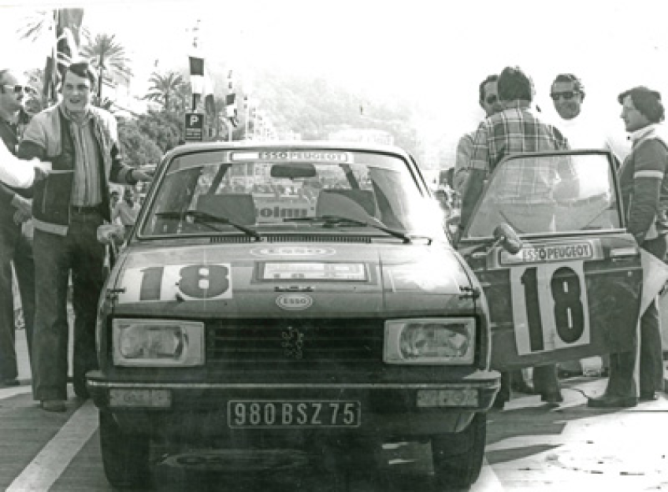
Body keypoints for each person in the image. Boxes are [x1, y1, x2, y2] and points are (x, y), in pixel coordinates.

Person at [17, 60, 153, 412]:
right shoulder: (42, 122)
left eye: (83, 87)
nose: (76, 93)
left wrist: (136, 173)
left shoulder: (106, 122)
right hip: (52, 230)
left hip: (94, 226)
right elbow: (25, 164)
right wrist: (33, 170)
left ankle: (87, 383)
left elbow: (116, 166)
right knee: (50, 312)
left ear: (93, 90)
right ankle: (50, 391)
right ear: (61, 88)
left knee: (92, 309)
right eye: (70, 86)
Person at [459, 66, 570, 405]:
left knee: (502, 301)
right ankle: (548, 383)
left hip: (501, 224)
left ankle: (503, 386)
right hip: (543, 224)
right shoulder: (550, 128)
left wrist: (465, 226)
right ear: (531, 94)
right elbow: (570, 181)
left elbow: (476, 181)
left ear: (503, 95)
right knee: (542, 302)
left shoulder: (489, 126)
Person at [588, 87, 668, 408]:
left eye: (629, 109)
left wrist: (630, 238)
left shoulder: (649, 146)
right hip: (652, 237)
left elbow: (646, 199)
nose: (623, 115)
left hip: (644, 238)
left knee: (625, 311)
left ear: (647, 112)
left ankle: (623, 389)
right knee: (645, 311)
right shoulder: (649, 143)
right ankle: (647, 383)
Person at [550, 73, 614, 378]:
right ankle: (568, 363)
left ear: (581, 95)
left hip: (599, 211)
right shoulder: (547, 127)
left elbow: (618, 167)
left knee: (603, 288)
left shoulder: (602, 127)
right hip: (563, 215)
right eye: (556, 96)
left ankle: (609, 359)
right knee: (565, 288)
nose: (562, 101)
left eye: (568, 94)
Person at [0, 69, 36, 388]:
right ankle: (5, 372)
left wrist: (33, 205)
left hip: (31, 220)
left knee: (39, 291)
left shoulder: (32, 124)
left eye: (27, 88)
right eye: (16, 88)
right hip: (2, 219)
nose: (23, 94)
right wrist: (14, 200)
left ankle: (44, 371)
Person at [452, 75, 503, 193]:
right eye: (492, 99)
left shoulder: (520, 136)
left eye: (502, 98)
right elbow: (461, 184)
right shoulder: (469, 141)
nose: (498, 103)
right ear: (482, 104)